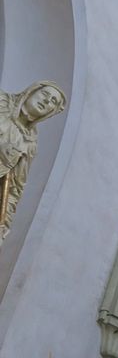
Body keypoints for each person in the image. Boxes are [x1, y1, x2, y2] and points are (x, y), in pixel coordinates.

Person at [0, 80, 67, 246]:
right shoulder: (2, 102)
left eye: (53, 101)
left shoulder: (29, 143)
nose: (46, 101)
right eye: (45, 94)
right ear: (32, 91)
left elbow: (14, 188)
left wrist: (4, 224)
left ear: (51, 112)